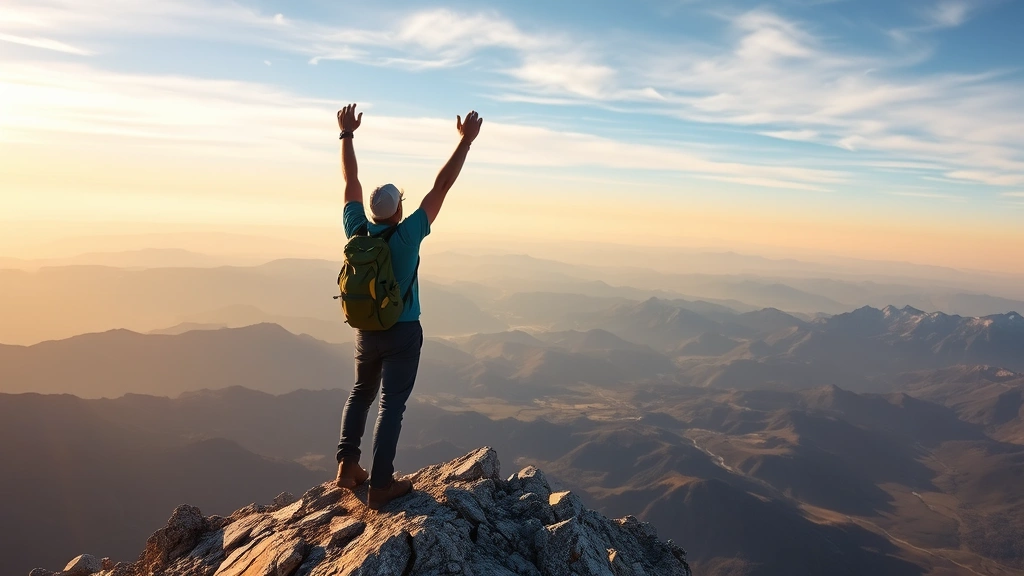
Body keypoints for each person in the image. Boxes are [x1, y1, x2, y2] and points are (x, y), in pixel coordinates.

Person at [334, 103, 483, 510]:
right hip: (403, 332)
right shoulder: (408, 235)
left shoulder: (356, 231)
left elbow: (351, 180)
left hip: (366, 328)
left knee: (361, 392)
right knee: (391, 405)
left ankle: (347, 468)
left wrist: (347, 135)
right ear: (399, 209)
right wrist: (465, 143)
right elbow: (442, 186)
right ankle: (380, 486)